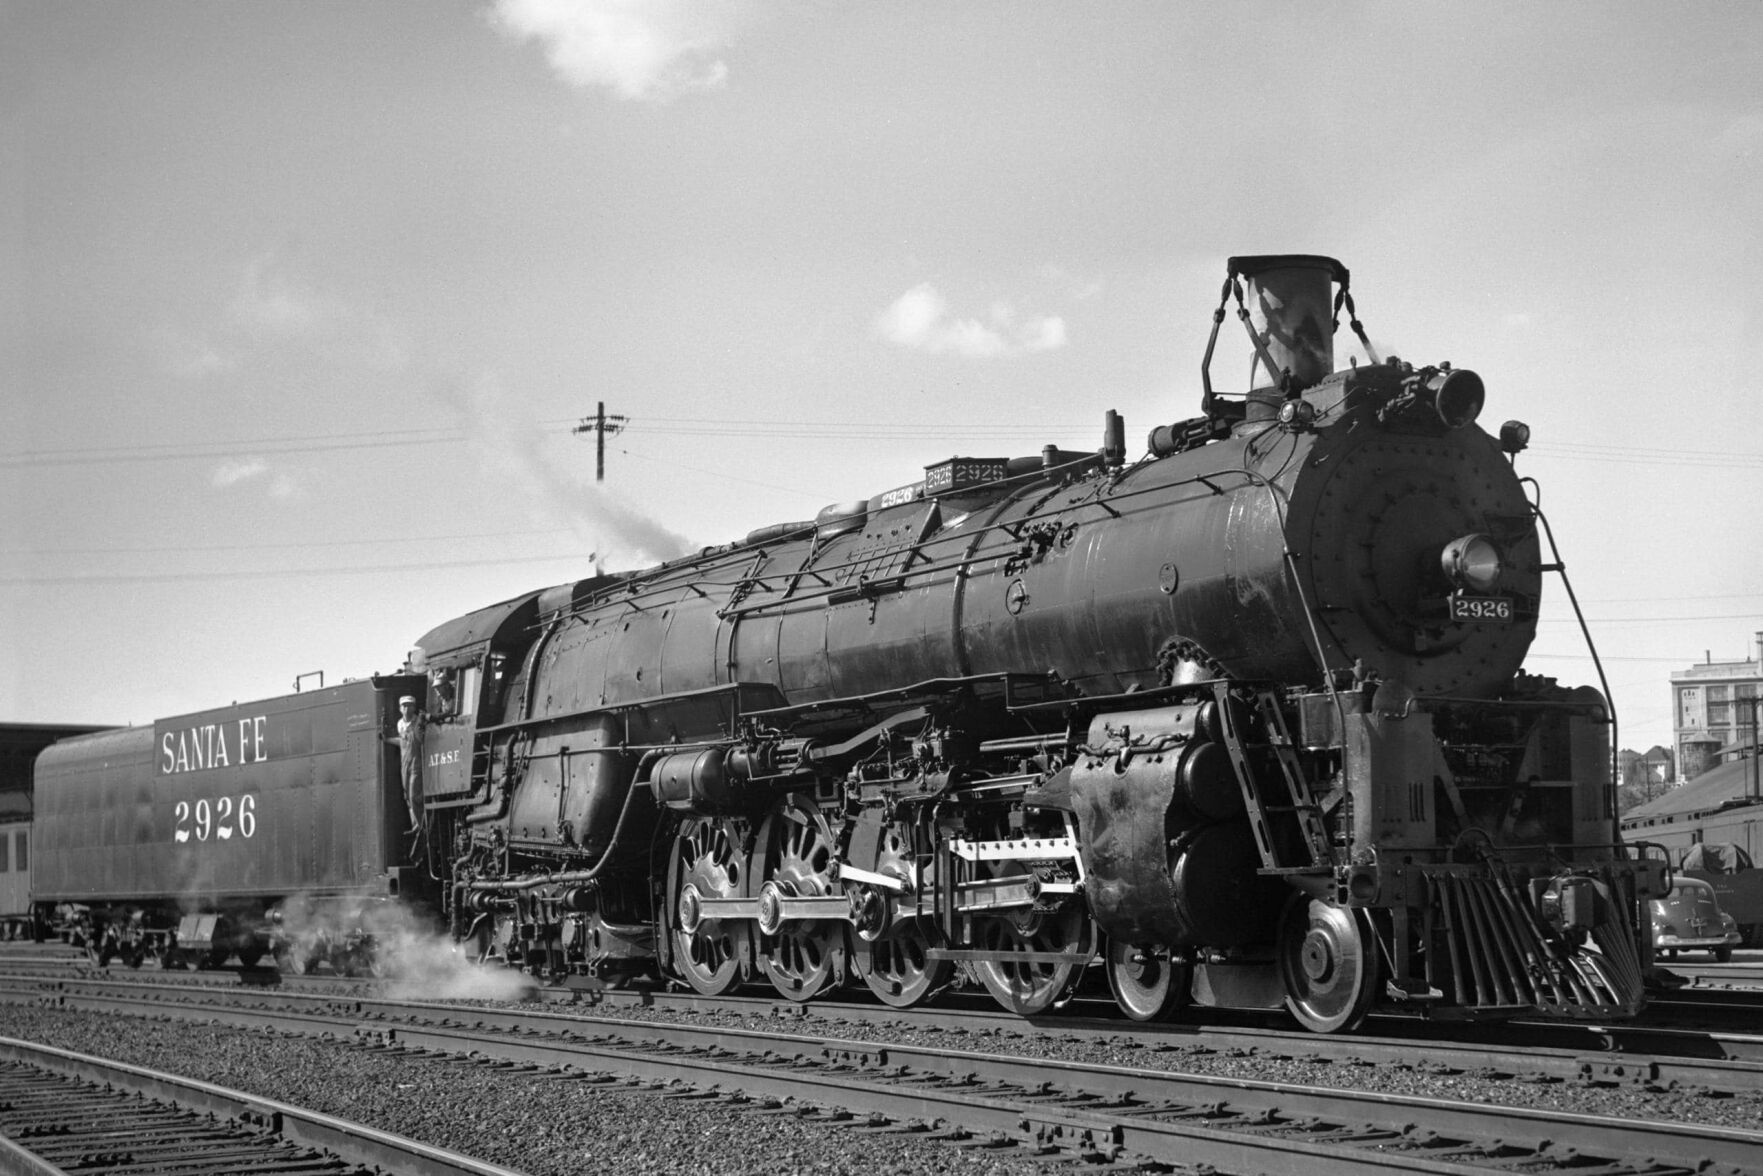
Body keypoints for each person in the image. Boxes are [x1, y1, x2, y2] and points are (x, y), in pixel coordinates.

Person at [392, 694, 427, 833]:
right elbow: (402, 741)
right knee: (407, 796)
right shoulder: (399, 724)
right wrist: (387, 739)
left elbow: (420, 740)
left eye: (410, 705)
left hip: (416, 761)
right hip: (404, 761)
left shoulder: (418, 721)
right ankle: (415, 825)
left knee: (414, 796)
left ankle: (421, 825)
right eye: (404, 706)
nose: (407, 708)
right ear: (400, 708)